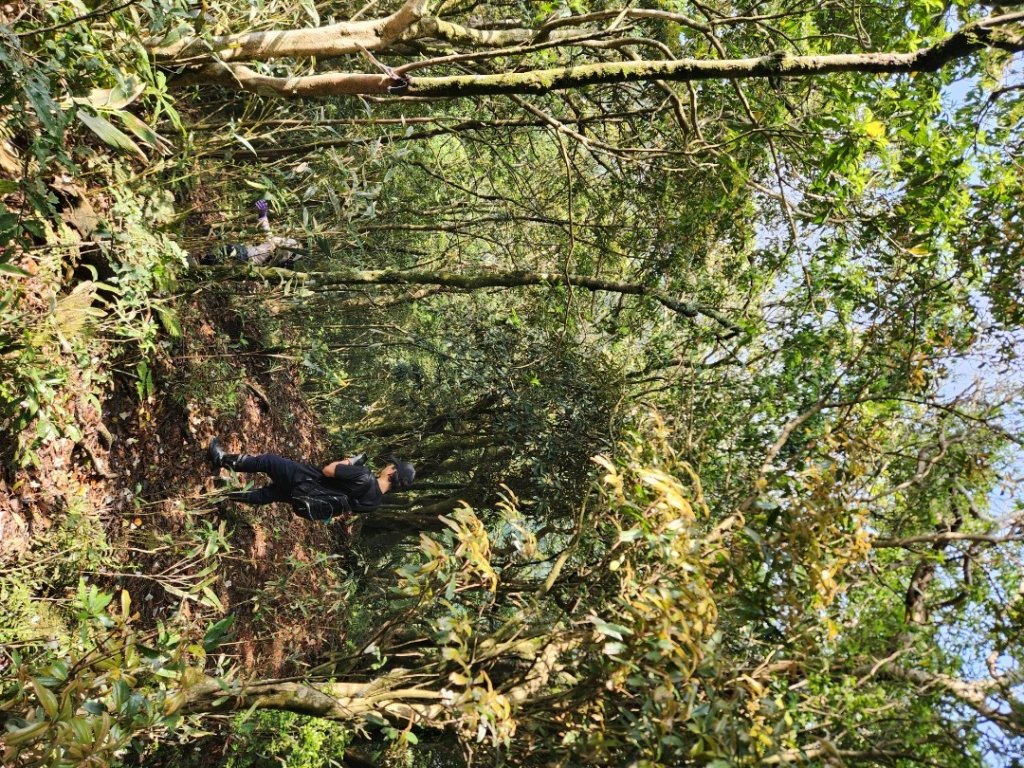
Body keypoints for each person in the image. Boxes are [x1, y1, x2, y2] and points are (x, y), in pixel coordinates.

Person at [207, 438, 415, 521]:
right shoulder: (374, 503)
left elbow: (329, 470)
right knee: (270, 494)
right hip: (308, 498)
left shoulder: (365, 476)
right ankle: (224, 494)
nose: (388, 465)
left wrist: (352, 461)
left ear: (392, 473)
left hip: (306, 480)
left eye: (392, 465)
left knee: (269, 461)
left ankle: (222, 459)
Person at [201, 200, 304, 268]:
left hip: (248, 255)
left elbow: (270, 238)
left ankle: (201, 262)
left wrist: (263, 216)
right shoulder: (294, 257)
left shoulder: (293, 245)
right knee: (222, 257)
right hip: (251, 263)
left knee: (225, 249)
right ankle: (202, 265)